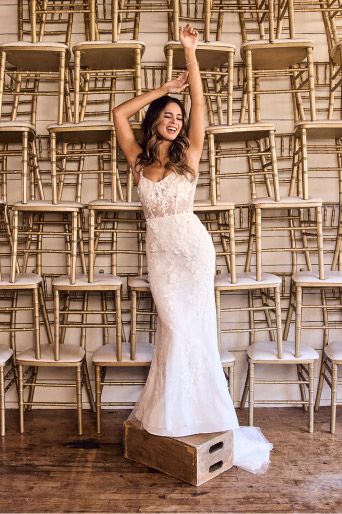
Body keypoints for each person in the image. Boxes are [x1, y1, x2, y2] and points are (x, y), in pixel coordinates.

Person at [113, 24, 272, 474]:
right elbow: (118, 113)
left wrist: (190, 54)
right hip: (161, 255)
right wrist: (163, 89)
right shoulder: (138, 160)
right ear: (156, 119)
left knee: (193, 332)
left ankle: (201, 415)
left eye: (179, 117)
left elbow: (199, 104)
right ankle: (174, 414)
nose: (176, 119)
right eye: (168, 114)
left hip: (193, 250)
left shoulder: (191, 154)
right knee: (174, 330)